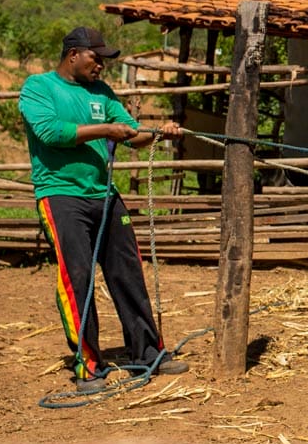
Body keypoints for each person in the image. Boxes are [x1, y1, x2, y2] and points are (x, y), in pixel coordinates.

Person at [19, 26, 189, 393]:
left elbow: (131, 134)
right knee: (77, 279)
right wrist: (105, 131)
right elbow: (51, 132)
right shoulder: (39, 88)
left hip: (104, 195)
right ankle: (89, 364)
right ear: (74, 55)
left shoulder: (103, 93)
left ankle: (147, 353)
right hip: (61, 195)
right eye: (97, 58)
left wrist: (159, 131)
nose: (101, 66)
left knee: (128, 273)